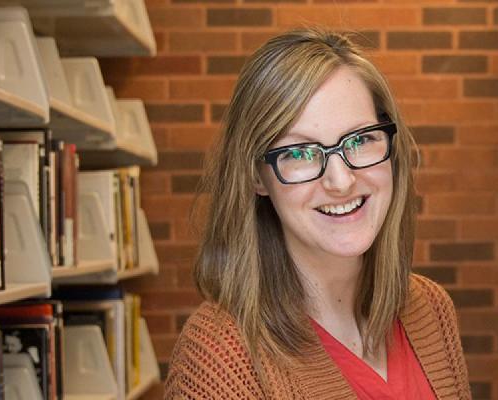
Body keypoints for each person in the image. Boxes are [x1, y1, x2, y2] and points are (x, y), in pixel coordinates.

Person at [164, 28, 471, 399]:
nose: (340, 181)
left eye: (359, 140)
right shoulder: (220, 358)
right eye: (300, 153)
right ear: (257, 176)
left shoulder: (431, 310)